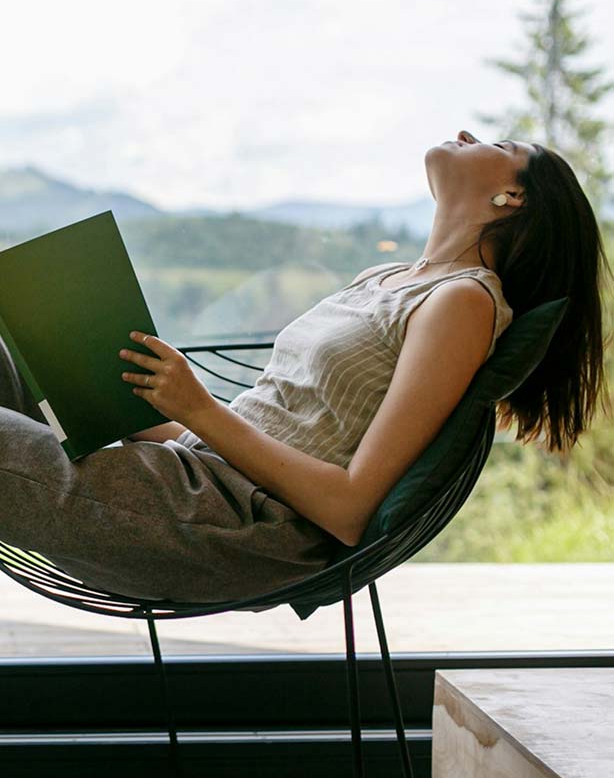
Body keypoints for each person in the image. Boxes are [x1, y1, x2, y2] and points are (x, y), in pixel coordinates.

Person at [0, 130, 611, 606]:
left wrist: (197, 405)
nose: (466, 134)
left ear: (514, 198)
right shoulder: (386, 279)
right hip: (188, 474)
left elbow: (348, 511)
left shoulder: (462, 302)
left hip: (233, 524)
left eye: (496, 145)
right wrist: (139, 400)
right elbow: (262, 431)